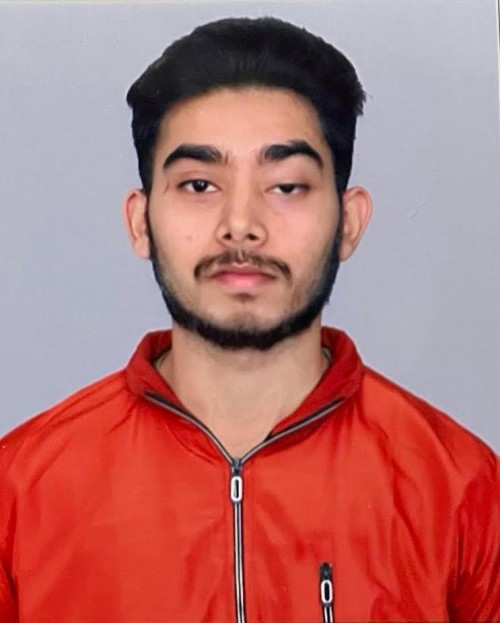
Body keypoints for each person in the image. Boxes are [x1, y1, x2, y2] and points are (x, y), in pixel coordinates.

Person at [0, 15, 498, 623]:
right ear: (140, 222)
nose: (241, 224)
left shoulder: (463, 488)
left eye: (286, 187)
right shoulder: (20, 489)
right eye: (199, 184)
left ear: (348, 222)